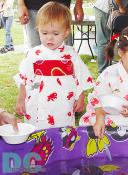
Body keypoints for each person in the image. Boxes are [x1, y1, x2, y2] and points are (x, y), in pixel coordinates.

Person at [14, 2, 94, 130]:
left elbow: (80, 77)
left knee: (63, 132)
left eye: (55, 34)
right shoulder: (34, 54)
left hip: (63, 104)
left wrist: (80, 97)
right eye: (44, 33)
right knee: (38, 134)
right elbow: (24, 79)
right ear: (38, 30)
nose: (49, 38)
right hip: (38, 104)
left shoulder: (71, 54)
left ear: (66, 32)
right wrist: (21, 99)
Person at [17, 0, 84, 49]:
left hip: (61, 8)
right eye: (45, 33)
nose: (50, 38)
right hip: (33, 7)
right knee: (35, 50)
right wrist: (20, 4)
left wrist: (79, 3)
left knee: (65, 50)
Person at [95, 0, 128, 74]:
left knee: (114, 40)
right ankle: (102, 73)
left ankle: (110, 71)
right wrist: (121, 7)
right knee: (103, 42)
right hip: (105, 9)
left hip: (117, 10)